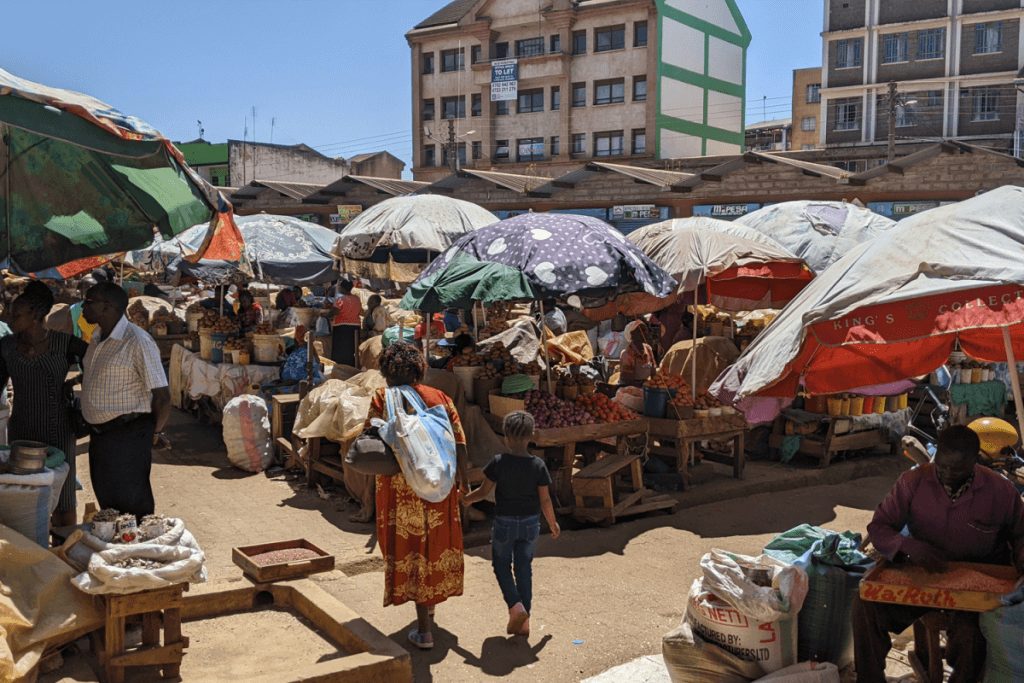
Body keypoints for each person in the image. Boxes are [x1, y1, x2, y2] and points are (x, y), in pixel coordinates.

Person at [852, 425, 1024, 683]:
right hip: (921, 578)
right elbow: (879, 527)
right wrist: (909, 546)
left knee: (971, 638)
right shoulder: (913, 481)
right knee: (864, 605)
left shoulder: (1001, 491)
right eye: (941, 466)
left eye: (956, 469)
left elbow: (1022, 536)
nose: (945, 474)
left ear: (974, 462)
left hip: (975, 588)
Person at [364, 342, 469, 650]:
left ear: (385, 372)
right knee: (434, 546)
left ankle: (424, 630)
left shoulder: (382, 398)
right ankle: (430, 604)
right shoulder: (440, 398)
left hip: (400, 490)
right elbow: (459, 442)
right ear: (419, 369)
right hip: (440, 486)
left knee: (410, 550)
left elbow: (369, 440)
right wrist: (463, 481)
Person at [0, 282, 90, 526]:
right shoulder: (7, 347)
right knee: (23, 495)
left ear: (36, 316)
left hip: (59, 430)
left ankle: (64, 551)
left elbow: (98, 365)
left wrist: (77, 381)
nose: (7, 318)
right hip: (21, 430)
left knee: (63, 499)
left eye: (15, 314)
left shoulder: (65, 343)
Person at [81, 282, 171, 522]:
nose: (83, 306)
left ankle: (141, 552)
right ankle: (121, 555)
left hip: (128, 435)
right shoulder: (98, 336)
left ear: (107, 307)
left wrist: (156, 432)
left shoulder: (137, 341)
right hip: (101, 436)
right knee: (109, 506)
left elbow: (162, 397)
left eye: (89, 301)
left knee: (133, 508)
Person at [464, 411, 560, 637]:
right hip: (530, 524)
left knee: (501, 566)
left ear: (505, 437)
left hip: (504, 523)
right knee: (524, 568)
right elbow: (545, 498)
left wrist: (467, 500)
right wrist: (553, 523)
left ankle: (515, 606)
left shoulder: (498, 462)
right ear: (531, 436)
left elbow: (484, 491)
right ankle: (524, 618)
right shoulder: (538, 465)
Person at [618, 322, 655, 386]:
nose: (645, 333)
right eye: (641, 331)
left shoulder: (648, 348)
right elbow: (626, 380)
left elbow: (653, 372)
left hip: (644, 386)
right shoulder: (627, 354)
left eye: (646, 330)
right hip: (629, 388)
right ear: (632, 334)